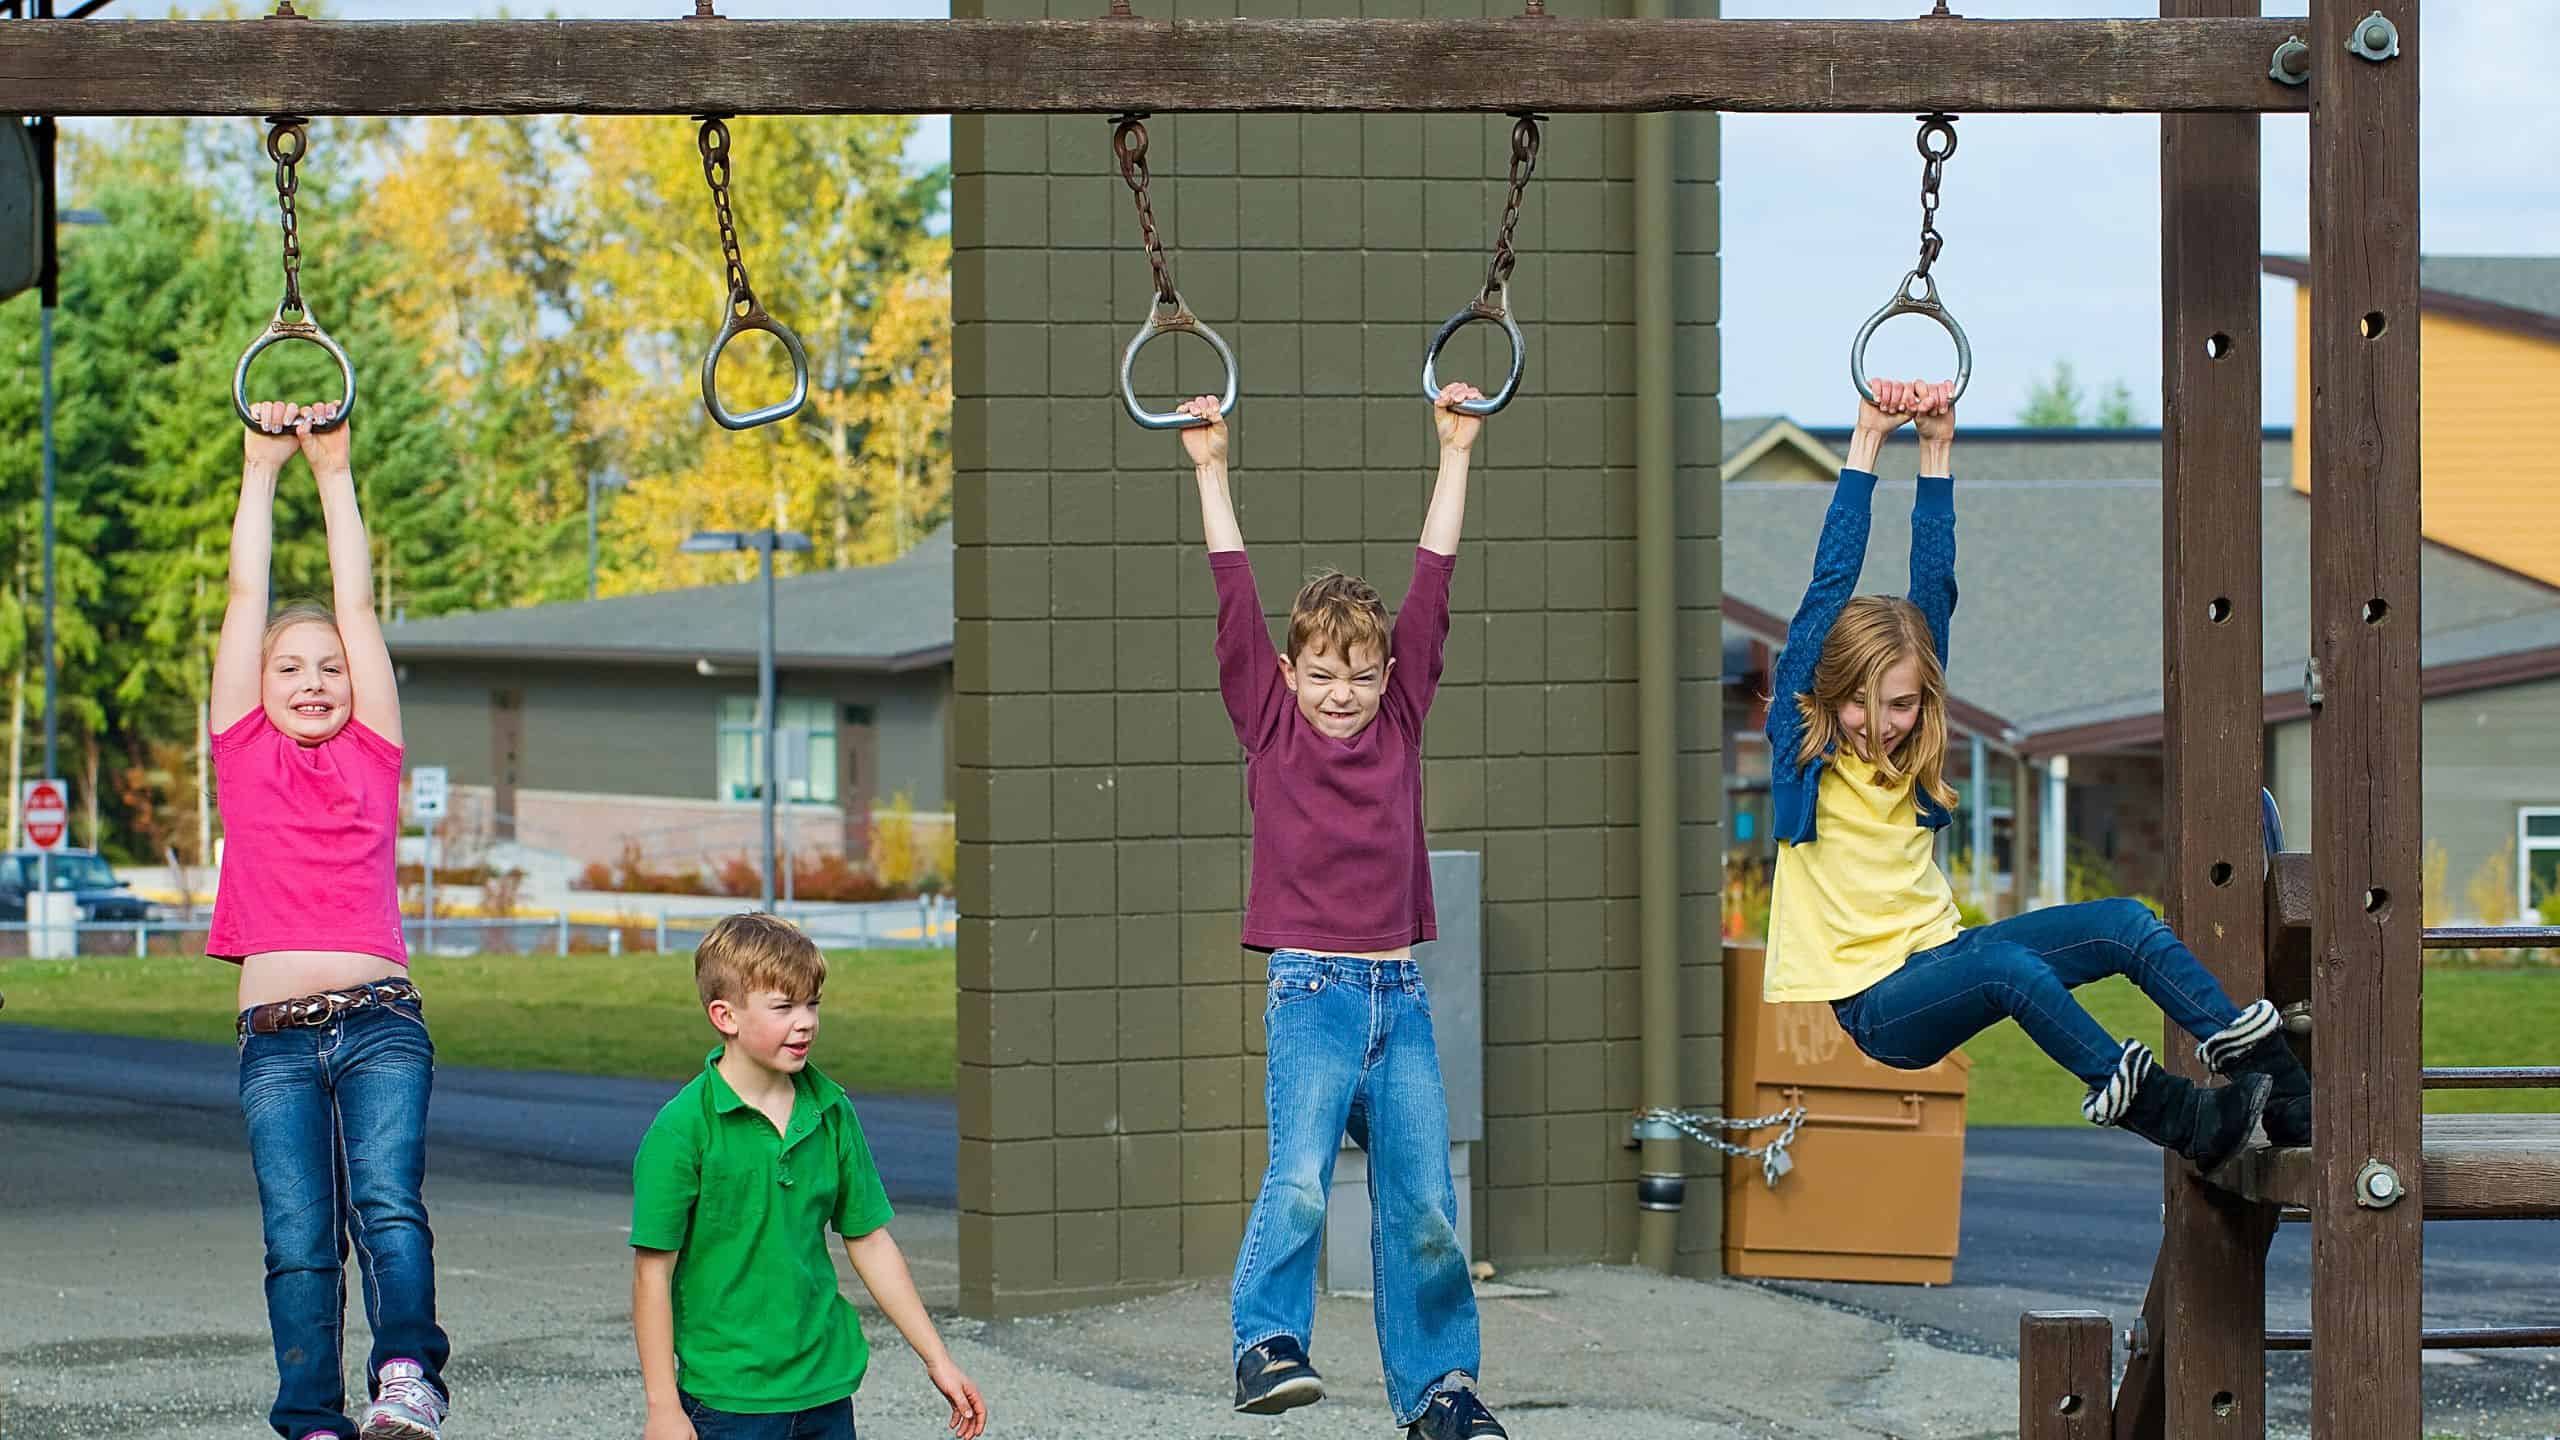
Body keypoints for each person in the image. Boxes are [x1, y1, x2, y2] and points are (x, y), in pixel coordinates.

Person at [1761, 378, 2312, 1166]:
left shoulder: (1912, 748)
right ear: (1829, 691)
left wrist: (1941, 446)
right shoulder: (1803, 751)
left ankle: (2282, 1085)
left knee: (2125, 922)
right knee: (2009, 967)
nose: (1880, 725)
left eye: (1901, 706)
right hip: (1881, 1007)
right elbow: (1826, 591)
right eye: (1860, 704)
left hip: (1946, 959)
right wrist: (1869, 441)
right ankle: (2177, 1115)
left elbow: (1934, 589)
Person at [1183, 384, 1508, 1440]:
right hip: (1312, 992)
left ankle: (1441, 1395)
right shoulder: (1269, 724)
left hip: (1399, 997)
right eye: (1321, 674)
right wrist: (1209, 469)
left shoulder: (1401, 718)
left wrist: (1455, 453)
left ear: (1386, 677)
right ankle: (1264, 1342)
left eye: (1360, 676)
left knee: (1422, 1212)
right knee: (1305, 1184)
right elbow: (1233, 592)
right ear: (1287, 673)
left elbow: (1433, 585)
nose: (1340, 693)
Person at [215, 400, 450, 1440]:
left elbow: (355, 602)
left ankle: (406, 1375)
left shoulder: (374, 751)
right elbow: (243, 592)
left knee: (387, 1209)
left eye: (332, 666)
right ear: (256, 689)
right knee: (298, 1235)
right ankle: (308, 1413)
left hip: (379, 1024)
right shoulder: (242, 751)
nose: (314, 679)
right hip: (273, 1045)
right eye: (288, 667)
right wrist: (261, 469)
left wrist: (336, 470)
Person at [631, 912, 987, 1440]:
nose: (806, 1022)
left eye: (812, 1003)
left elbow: (868, 1239)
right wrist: (663, 1407)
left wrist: (937, 1357)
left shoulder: (832, 1110)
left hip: (826, 1392)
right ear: (724, 1016)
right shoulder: (682, 1130)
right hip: (728, 1403)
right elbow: (651, 1275)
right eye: (784, 1007)